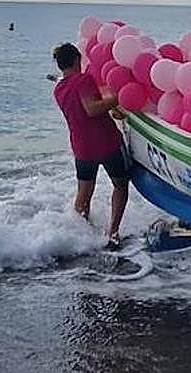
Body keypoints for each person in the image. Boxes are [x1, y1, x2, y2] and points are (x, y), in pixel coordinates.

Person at [51, 43, 131, 249]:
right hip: (106, 143)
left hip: (81, 148)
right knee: (120, 185)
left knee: (84, 193)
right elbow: (91, 109)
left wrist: (108, 108)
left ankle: (82, 237)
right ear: (77, 60)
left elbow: (81, 109)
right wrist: (117, 98)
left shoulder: (59, 89)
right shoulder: (84, 79)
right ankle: (113, 233)